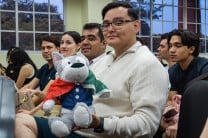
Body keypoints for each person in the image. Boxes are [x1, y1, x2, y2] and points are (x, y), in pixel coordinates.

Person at [15, 2, 169, 138]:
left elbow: (147, 125)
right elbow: (66, 92)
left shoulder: (147, 64)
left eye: (119, 22)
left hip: (100, 133)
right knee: (19, 120)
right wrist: (34, 111)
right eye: (106, 24)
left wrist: (99, 123)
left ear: (136, 26)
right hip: (73, 128)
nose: (110, 29)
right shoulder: (105, 60)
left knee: (20, 123)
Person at [159, 29, 208, 138]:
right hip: (183, 115)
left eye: (177, 45)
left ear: (191, 49)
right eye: (170, 46)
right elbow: (172, 100)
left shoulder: (204, 67)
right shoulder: (172, 71)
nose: (171, 50)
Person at [19, 35, 60, 105]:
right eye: (43, 48)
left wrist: (21, 107)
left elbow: (43, 94)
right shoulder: (44, 67)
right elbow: (30, 86)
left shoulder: (59, 67)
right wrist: (13, 97)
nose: (45, 51)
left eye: (49, 47)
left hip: (53, 107)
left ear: (58, 48)